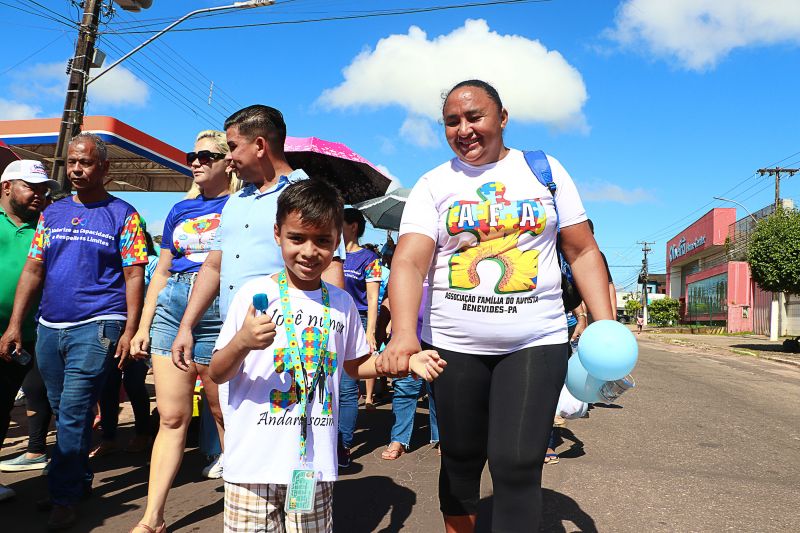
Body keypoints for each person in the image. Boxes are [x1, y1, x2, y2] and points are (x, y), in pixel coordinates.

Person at [379, 80, 615, 533]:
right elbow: (409, 261)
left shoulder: (544, 170)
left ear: (502, 118)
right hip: (452, 345)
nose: (464, 129)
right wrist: (404, 333)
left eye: (475, 117)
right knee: (462, 458)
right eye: (452, 121)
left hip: (535, 340)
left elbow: (583, 251)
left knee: (517, 462)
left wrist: (605, 329)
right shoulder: (434, 183)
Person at [208, 179, 446, 533]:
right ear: (278, 234)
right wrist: (242, 341)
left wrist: (403, 363)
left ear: (337, 242)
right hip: (252, 466)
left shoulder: (341, 304)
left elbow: (355, 365)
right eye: (297, 238)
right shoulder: (254, 294)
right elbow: (217, 372)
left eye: (322, 241)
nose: (309, 251)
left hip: (312, 464)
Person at [170, 105, 346, 472]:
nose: (229, 157)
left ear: (261, 145)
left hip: (287, 349)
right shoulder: (237, 202)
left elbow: (331, 271)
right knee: (231, 421)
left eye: (233, 147)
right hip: (236, 342)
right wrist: (186, 325)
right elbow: (214, 266)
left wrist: (331, 339)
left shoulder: (306, 194)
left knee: (290, 442)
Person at [0, 133, 148, 530]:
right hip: (49, 327)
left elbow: (135, 275)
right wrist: (17, 323)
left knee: (75, 409)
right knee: (62, 407)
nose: (76, 169)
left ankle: (64, 495)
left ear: (105, 168)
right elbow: (33, 269)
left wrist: (130, 329)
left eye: (85, 162)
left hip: (98, 326)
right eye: (71, 162)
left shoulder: (124, 214)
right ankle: (78, 480)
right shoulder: (53, 213)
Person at [127, 130, 242, 533]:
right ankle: (152, 517)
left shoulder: (243, 206)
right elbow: (160, 272)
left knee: (223, 414)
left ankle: (244, 511)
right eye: (192, 154)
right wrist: (143, 324)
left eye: (206, 155)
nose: (195, 161)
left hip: (219, 311)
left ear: (229, 161)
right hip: (172, 307)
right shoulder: (179, 209)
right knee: (172, 418)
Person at [0, 160, 57, 501]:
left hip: (28, 337)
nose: (39, 194)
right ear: (6, 187)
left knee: (4, 406)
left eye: (42, 189)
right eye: (30, 187)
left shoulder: (46, 228)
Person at [339, 208, 382, 467]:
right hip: (328, 322)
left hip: (358, 322)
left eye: (338, 223)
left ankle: (343, 445)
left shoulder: (368, 259)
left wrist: (370, 332)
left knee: (346, 388)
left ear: (353, 226)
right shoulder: (328, 254)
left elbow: (374, 299)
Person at [378, 283, 440, 461]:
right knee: (404, 390)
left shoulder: (448, 264)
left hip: (439, 341)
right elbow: (389, 299)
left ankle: (441, 437)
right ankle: (398, 439)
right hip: (407, 341)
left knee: (439, 390)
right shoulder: (404, 263)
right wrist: (381, 326)